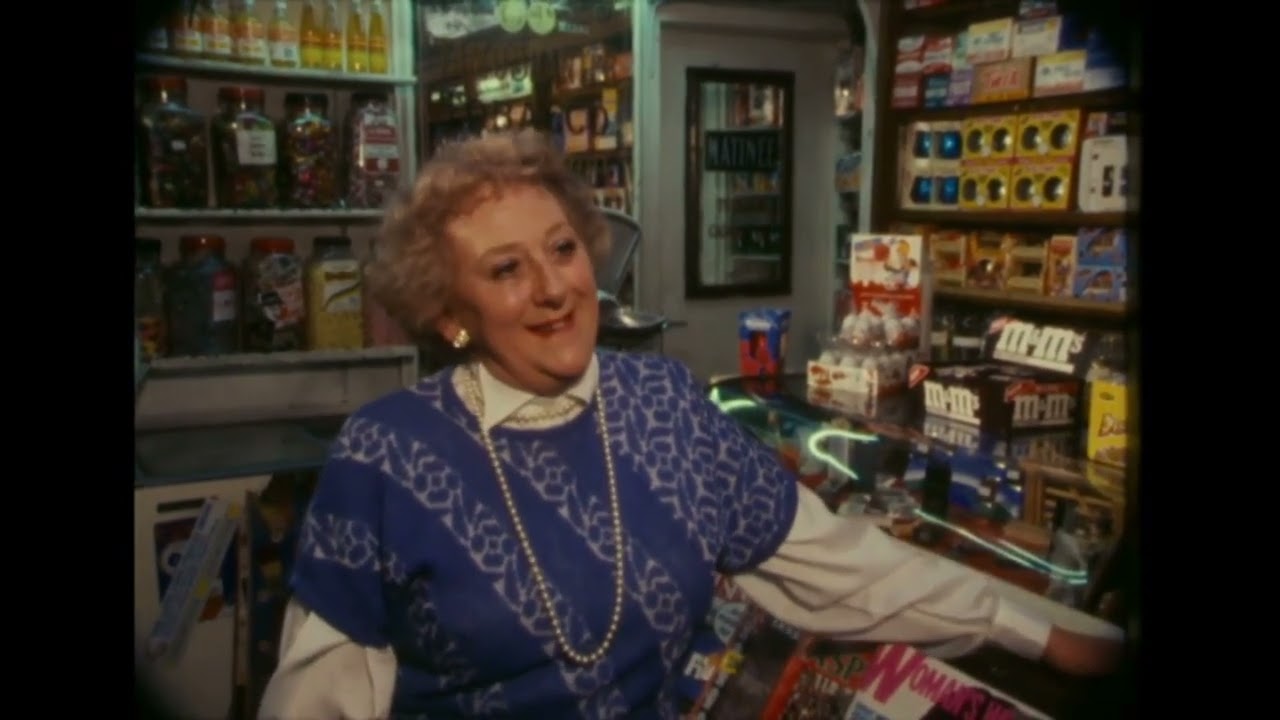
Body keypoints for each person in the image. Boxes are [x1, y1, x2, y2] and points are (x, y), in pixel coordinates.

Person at [258, 130, 1123, 719]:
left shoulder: (666, 405)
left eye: (562, 250)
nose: (555, 288)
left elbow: (839, 566)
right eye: (506, 269)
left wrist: (1036, 631)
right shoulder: (386, 455)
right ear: (450, 312)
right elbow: (318, 700)